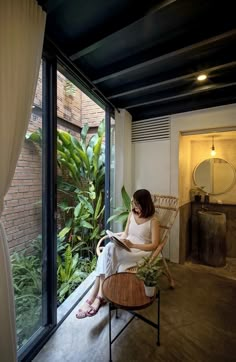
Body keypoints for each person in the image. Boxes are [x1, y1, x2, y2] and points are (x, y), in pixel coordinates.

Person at [76, 189, 160, 319]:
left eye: (136, 204)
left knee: (107, 251)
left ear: (144, 204)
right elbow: (126, 234)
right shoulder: (132, 214)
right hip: (128, 246)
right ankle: (99, 295)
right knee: (109, 249)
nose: (133, 206)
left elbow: (154, 245)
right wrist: (119, 240)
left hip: (141, 251)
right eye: (133, 203)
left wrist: (133, 245)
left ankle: (96, 296)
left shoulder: (153, 221)